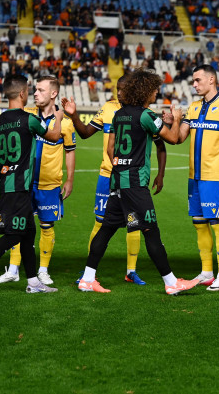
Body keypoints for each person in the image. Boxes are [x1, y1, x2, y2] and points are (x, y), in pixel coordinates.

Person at [67, 69, 198, 295]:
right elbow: (174, 138)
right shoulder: (146, 115)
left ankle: (87, 279)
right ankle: (171, 282)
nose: (157, 93)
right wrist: (177, 119)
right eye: (154, 89)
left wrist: (120, 165)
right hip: (135, 183)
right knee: (151, 230)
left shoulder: (119, 115)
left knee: (106, 229)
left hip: (117, 179)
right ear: (145, 90)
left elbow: (111, 148)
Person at [0, 74, 62, 296]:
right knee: (14, 236)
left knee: (28, 232)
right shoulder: (29, 119)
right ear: (22, 93)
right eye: (29, 90)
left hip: (6, 186)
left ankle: (33, 282)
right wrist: (59, 116)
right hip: (19, 187)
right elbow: (55, 136)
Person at [64, 75, 165, 285]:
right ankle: (89, 272)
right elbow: (85, 133)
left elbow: (160, 144)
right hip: (108, 175)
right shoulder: (108, 108)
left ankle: (131, 271)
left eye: (123, 89)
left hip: (127, 176)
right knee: (101, 223)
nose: (119, 93)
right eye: (117, 89)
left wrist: (159, 173)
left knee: (134, 224)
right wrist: (74, 116)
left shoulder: (140, 111)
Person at [0, 76, 76, 285]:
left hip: (49, 183)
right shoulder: (26, 116)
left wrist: (70, 179)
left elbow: (70, 151)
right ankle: (13, 269)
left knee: (46, 226)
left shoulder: (65, 123)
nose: (35, 94)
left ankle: (43, 270)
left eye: (40, 90)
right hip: (24, 183)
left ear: (53, 94)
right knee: (17, 226)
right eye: (35, 90)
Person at [175, 65, 219, 291]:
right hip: (195, 176)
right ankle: (207, 272)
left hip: (216, 176)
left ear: (211, 79)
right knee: (199, 224)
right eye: (193, 81)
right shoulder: (193, 107)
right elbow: (179, 138)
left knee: (217, 224)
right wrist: (175, 119)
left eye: (198, 80)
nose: (194, 85)